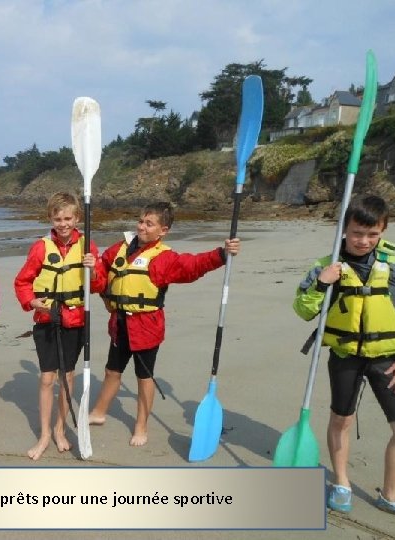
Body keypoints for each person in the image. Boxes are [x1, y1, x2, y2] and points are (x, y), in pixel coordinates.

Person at [293, 195, 395, 528]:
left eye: (372, 234)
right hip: (345, 356)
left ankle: (392, 495)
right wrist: (321, 282)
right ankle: (341, 482)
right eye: (357, 233)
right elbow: (303, 309)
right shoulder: (325, 265)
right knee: (341, 421)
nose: (364, 241)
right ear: (345, 229)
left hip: (388, 359)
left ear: (383, 231)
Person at [89, 202, 240, 446]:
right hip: (119, 324)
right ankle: (98, 412)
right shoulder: (120, 248)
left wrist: (221, 255)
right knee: (111, 371)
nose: (142, 227)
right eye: (140, 221)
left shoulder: (164, 258)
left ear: (163, 230)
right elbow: (100, 271)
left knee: (143, 377)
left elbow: (192, 266)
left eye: (149, 224)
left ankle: (141, 425)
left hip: (146, 327)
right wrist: (93, 273)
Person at [14, 192, 106, 460]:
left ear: (77, 218)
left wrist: (93, 270)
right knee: (46, 378)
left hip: (76, 320)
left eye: (68, 218)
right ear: (50, 219)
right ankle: (44, 434)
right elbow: (22, 282)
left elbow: (99, 286)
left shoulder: (88, 245)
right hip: (47, 319)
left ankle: (59, 429)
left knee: (67, 377)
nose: (63, 223)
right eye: (58, 219)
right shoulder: (41, 247)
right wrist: (32, 303)